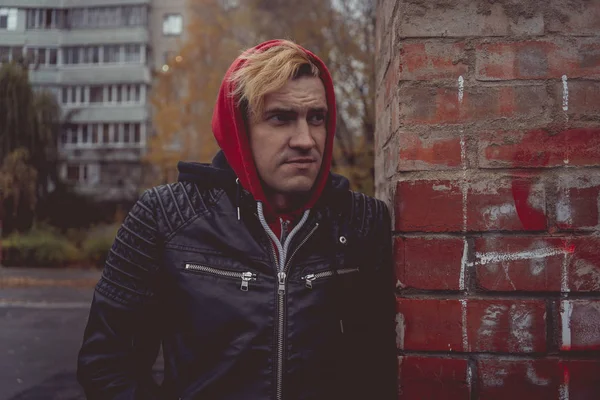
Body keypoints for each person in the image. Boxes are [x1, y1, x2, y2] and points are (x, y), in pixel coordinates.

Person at [77, 39, 398, 400]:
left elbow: (379, 370)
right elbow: (107, 366)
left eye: (317, 118)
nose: (306, 140)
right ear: (238, 128)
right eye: (281, 117)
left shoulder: (361, 222)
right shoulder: (164, 217)